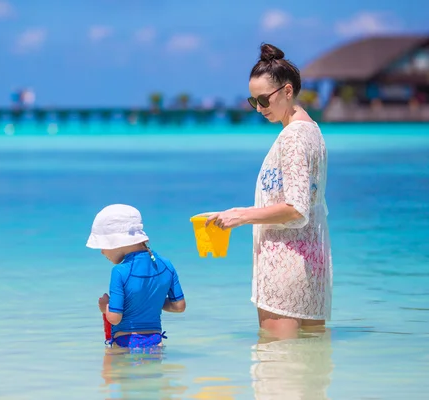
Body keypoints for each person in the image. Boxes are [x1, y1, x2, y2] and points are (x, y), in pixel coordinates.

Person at [206, 43, 332, 338]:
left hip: (285, 266)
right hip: (311, 265)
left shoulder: (293, 138)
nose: (260, 109)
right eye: (253, 102)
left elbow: (296, 209)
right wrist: (236, 213)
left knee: (277, 371)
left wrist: (242, 216)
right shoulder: (312, 130)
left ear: (288, 92)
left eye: (264, 100)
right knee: (308, 369)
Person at [86, 204, 186, 349]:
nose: (102, 252)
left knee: (109, 373)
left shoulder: (120, 271)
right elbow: (179, 306)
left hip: (125, 343)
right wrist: (151, 301)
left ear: (117, 242)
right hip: (155, 342)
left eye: (103, 245)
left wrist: (105, 306)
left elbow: (114, 318)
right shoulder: (166, 265)